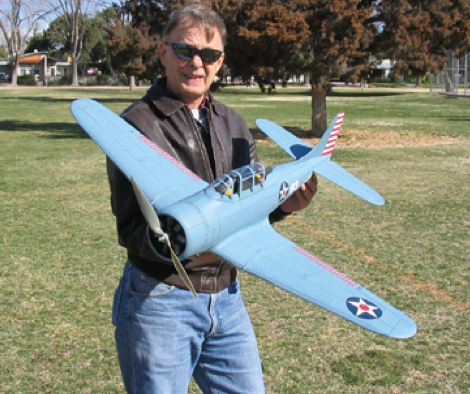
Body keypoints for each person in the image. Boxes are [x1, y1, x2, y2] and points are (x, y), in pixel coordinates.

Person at [106, 4, 318, 394]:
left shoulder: (233, 123)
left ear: (221, 62)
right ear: (163, 53)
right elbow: (132, 227)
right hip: (160, 299)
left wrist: (283, 208)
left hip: (227, 296)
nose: (196, 63)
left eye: (209, 54)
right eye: (185, 50)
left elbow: (247, 206)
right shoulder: (135, 126)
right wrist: (180, 243)